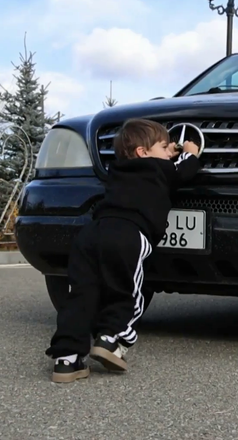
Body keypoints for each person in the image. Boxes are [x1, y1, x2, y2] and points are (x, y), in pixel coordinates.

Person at [45, 118, 201, 383]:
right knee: (126, 291)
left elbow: (156, 160)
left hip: (92, 235)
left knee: (81, 295)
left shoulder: (117, 169)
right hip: (128, 235)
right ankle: (110, 339)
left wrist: (163, 150)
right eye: (165, 147)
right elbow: (184, 171)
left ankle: (67, 360)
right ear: (143, 152)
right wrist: (189, 152)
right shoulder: (160, 169)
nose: (169, 151)